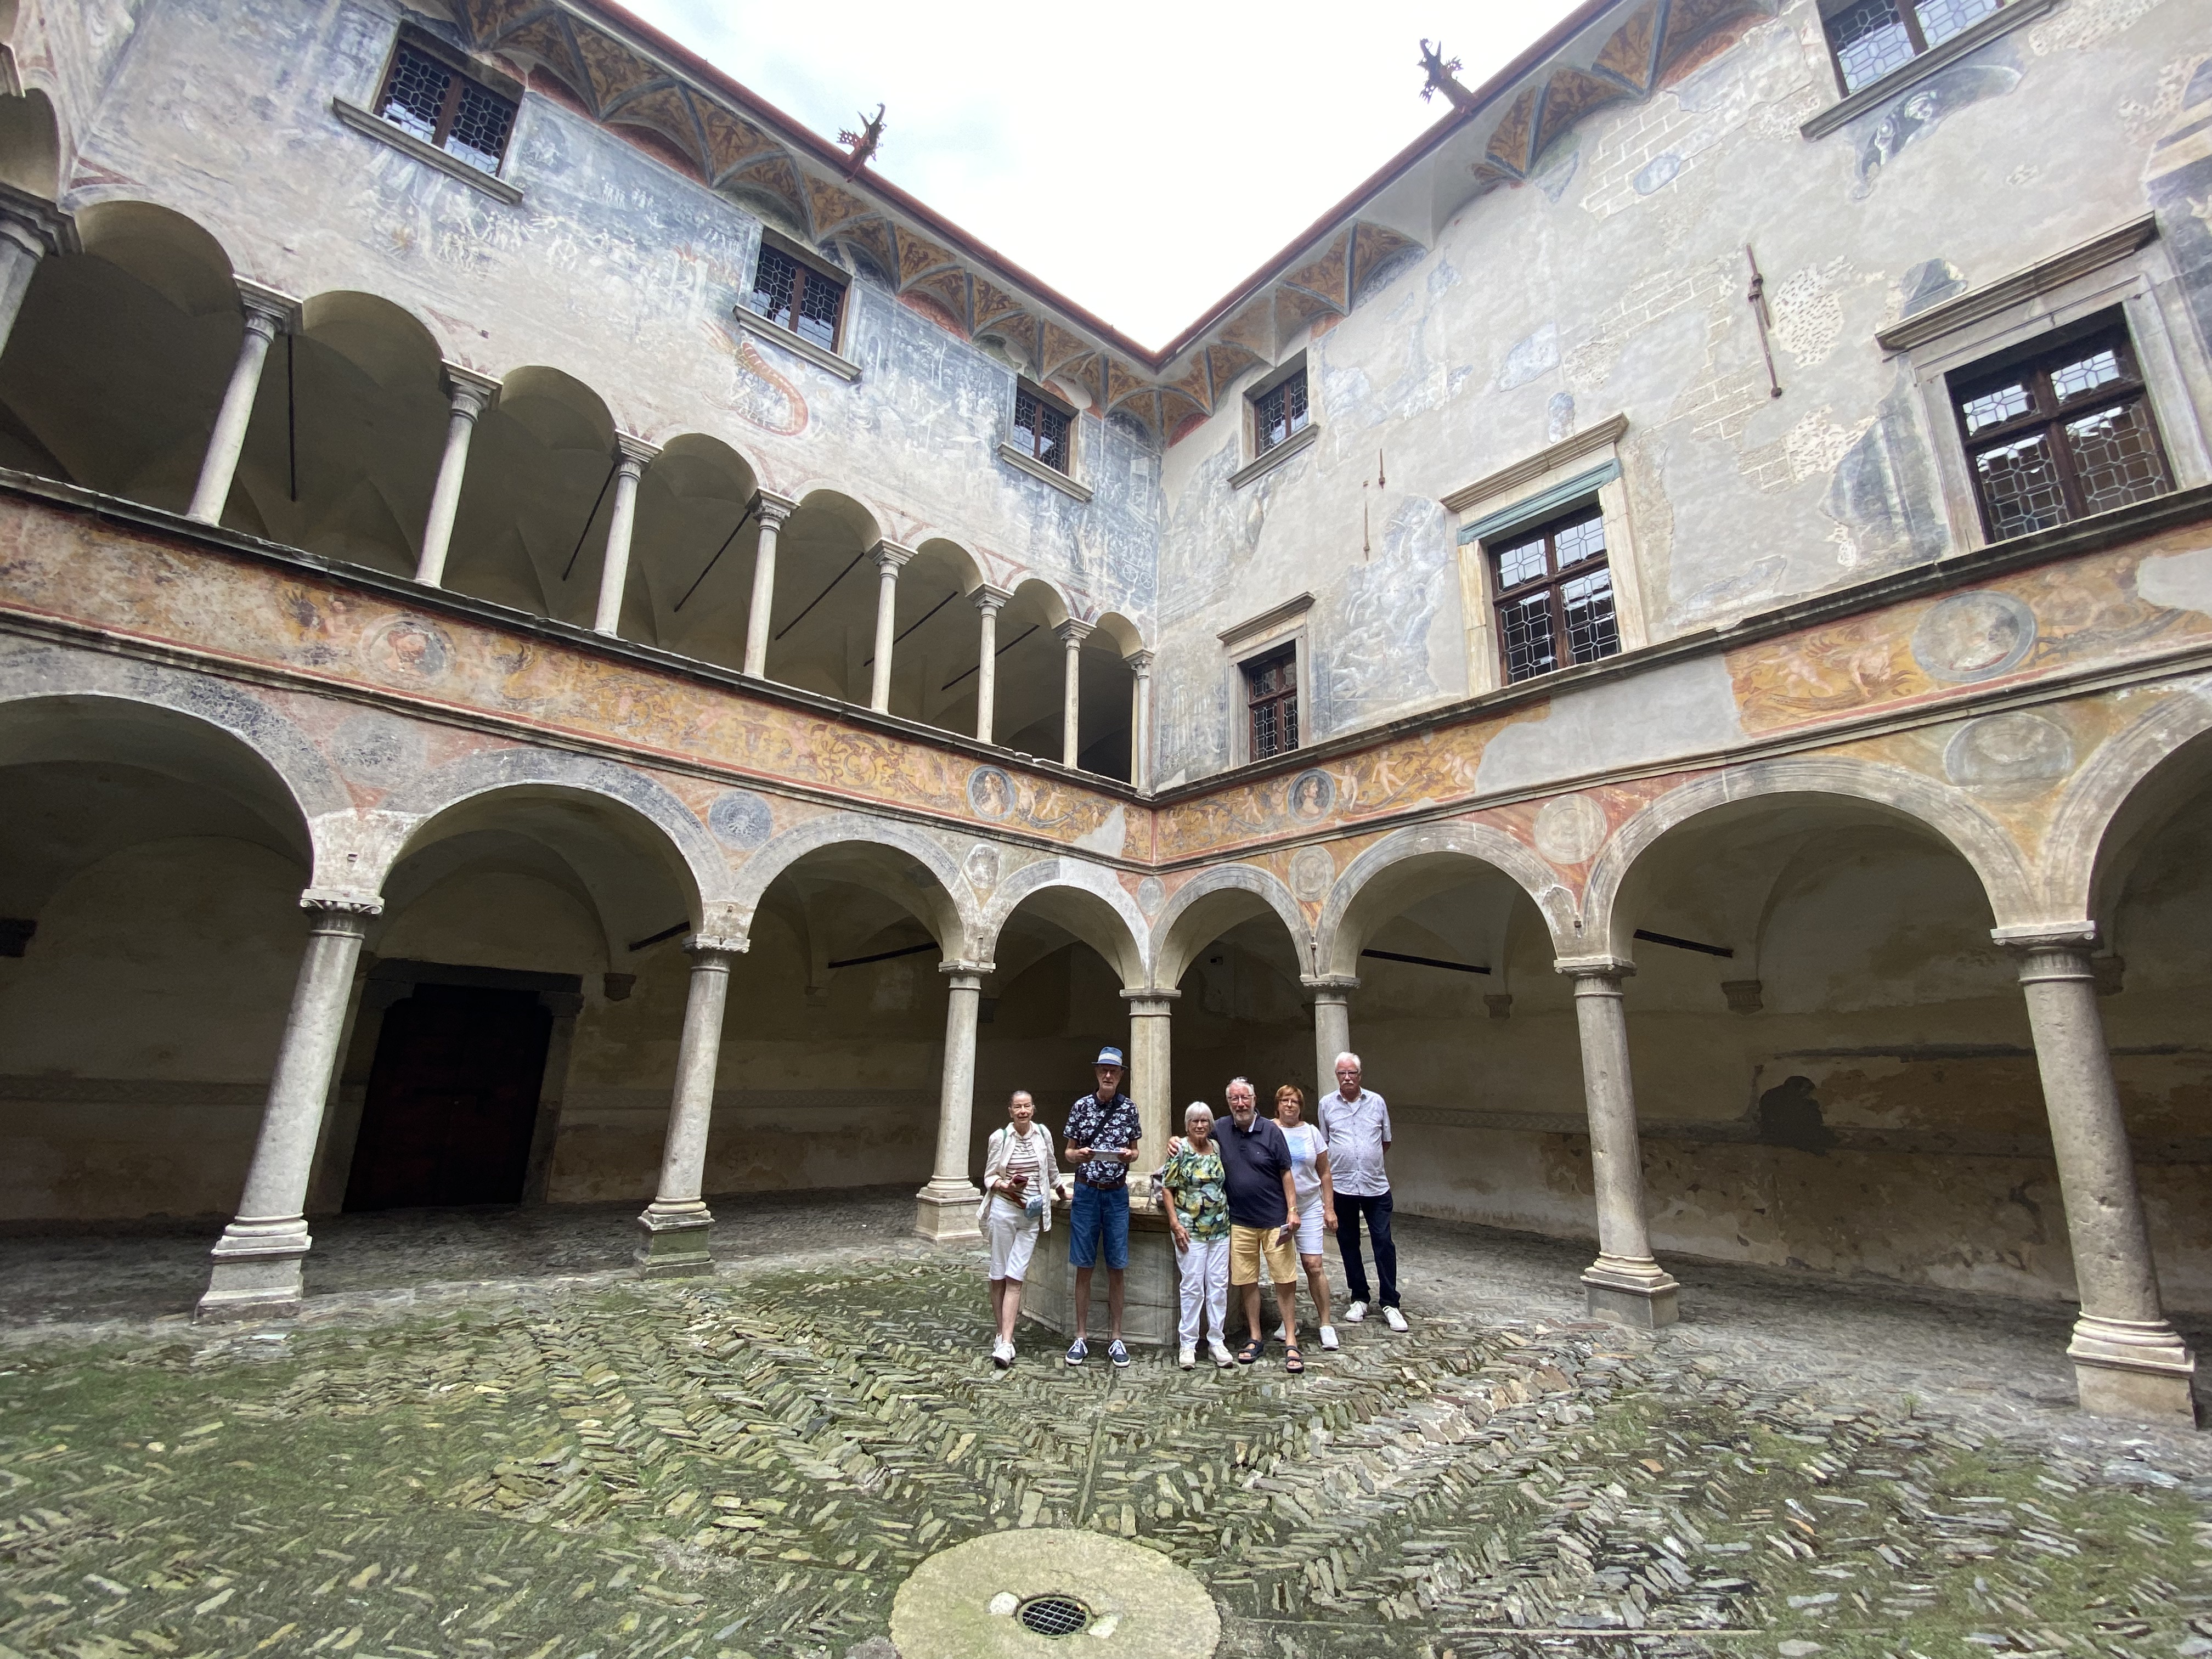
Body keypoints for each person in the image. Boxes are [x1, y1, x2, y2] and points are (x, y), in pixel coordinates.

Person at [1216, 1077, 1305, 1372]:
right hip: (1240, 1221)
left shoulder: (1271, 1131)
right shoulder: (1220, 1128)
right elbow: (1196, 1138)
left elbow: (1286, 1173)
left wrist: (1293, 1210)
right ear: (1229, 1102)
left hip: (1274, 1220)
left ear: (1255, 1100)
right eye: (1235, 1099)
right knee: (1247, 1281)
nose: (1240, 1104)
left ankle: (1291, 1338)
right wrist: (1175, 1141)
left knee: (1285, 1279)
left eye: (1245, 1098)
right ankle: (1255, 1336)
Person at [1062, 1045, 1140, 1368]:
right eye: (1104, 1070)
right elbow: (1068, 1152)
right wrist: (1078, 1155)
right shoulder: (1081, 1107)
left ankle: (1116, 1337)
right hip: (1087, 1192)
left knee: (1117, 1266)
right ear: (1097, 1073)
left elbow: (1135, 1151)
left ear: (1121, 1075)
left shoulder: (1129, 1109)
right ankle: (1081, 1335)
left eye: (1114, 1071)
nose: (1108, 1075)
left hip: (1116, 1194)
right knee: (1084, 1265)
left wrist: (1129, 1156)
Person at [1319, 1051, 1406, 1331]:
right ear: (1337, 1076)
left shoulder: (1376, 1102)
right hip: (1343, 1185)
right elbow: (1325, 1143)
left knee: (1383, 1241)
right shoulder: (1326, 1104)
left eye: (1352, 1073)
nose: (1347, 1078)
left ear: (1360, 1075)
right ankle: (1359, 1297)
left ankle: (1390, 1302)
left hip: (1375, 1185)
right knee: (1348, 1243)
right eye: (1342, 1073)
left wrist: (1367, 1160)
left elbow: (1385, 1141)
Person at [977, 1089, 1062, 1368]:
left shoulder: (1043, 1134)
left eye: (1027, 1106)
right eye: (1018, 1107)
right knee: (999, 1274)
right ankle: (1003, 1338)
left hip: (1031, 1215)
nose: (1023, 1111)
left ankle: (1005, 1341)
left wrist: (1062, 1190)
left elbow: (1051, 1167)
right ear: (1010, 1111)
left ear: (1033, 1109)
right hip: (1004, 1210)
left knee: (1016, 1276)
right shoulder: (1000, 1138)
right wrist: (1007, 1185)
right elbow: (989, 1176)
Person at [1159, 1102, 1235, 1370]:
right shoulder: (1179, 1149)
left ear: (1210, 1125)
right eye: (1195, 1121)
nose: (1200, 1125)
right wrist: (1175, 1223)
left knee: (1218, 1286)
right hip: (1190, 1230)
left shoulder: (1217, 1148)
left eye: (1204, 1121)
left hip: (1220, 1229)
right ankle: (1188, 1343)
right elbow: (1167, 1188)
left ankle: (1217, 1341)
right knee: (1192, 1287)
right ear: (1187, 1125)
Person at [1272, 1084, 1340, 1352]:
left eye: (1295, 1101)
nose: (1290, 1105)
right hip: (1278, 1207)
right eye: (1285, 1101)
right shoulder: (1269, 1130)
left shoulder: (1311, 1132)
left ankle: (1326, 1323)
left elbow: (1325, 1172)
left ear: (1301, 1107)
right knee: (1283, 1268)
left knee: (1314, 1265)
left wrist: (1329, 1208)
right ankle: (1288, 1321)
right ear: (1278, 1105)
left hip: (1309, 1205)